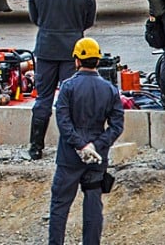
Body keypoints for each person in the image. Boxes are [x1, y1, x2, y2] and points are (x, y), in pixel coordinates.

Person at [48, 37, 124, 245]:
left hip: (70, 157)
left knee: (60, 206)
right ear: (97, 61)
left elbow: (63, 122)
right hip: (97, 158)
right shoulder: (110, 89)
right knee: (93, 204)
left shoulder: (68, 87)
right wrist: (96, 146)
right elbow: (117, 126)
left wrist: (80, 145)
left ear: (77, 61)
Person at [26, 0, 96, 160]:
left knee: (43, 99)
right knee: (72, 101)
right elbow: (88, 20)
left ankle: (35, 147)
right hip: (72, 52)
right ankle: (74, 146)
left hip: (46, 49)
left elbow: (35, 18)